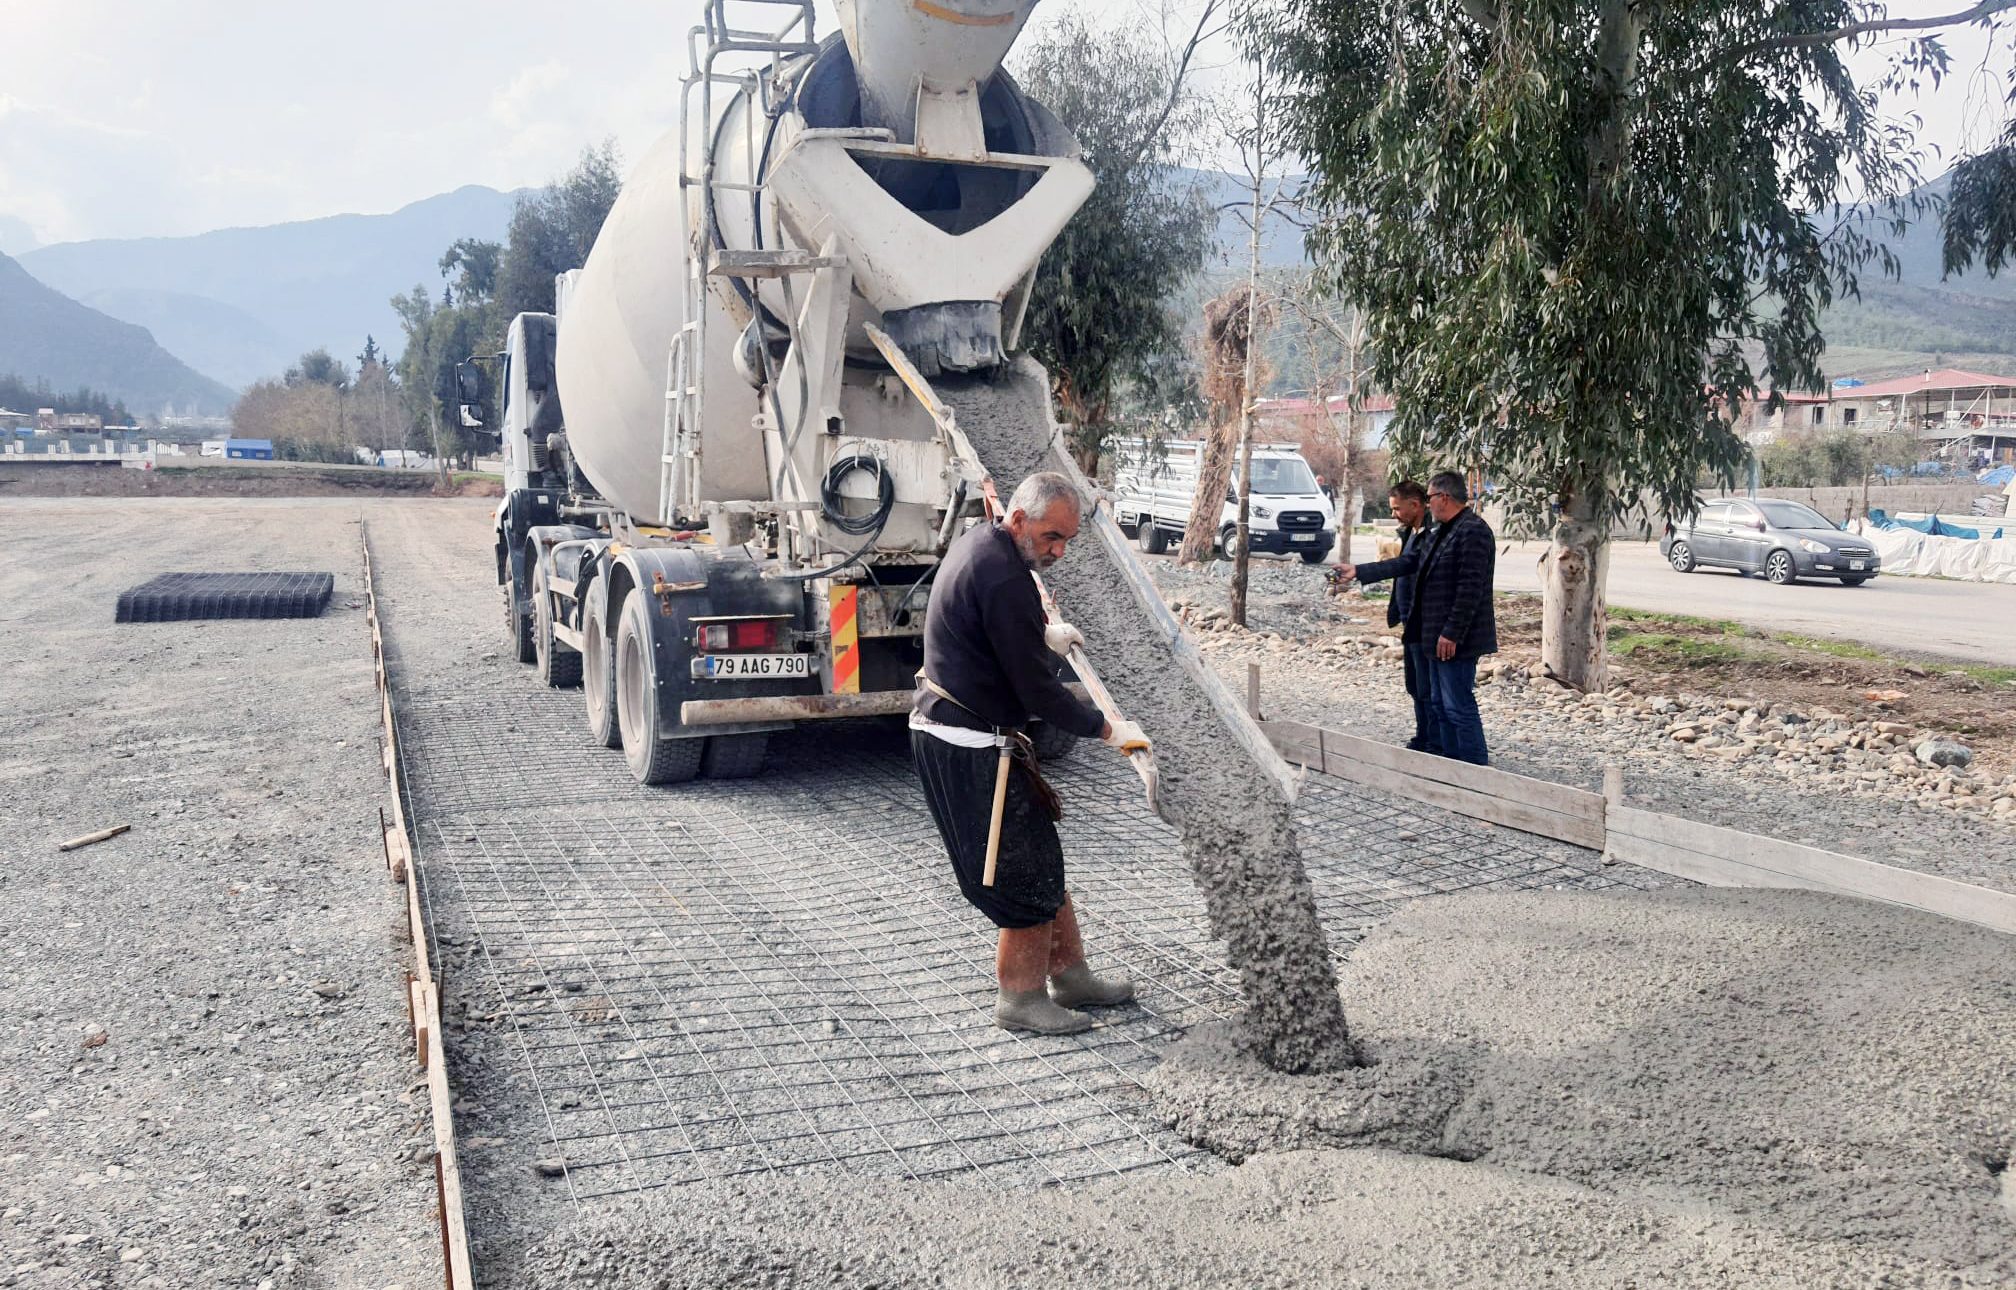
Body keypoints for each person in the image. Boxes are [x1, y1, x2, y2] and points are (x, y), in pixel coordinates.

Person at [910, 471, 1152, 1036]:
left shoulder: (987, 545)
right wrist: (1105, 729)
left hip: (969, 730)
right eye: (1051, 537)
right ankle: (1019, 998)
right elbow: (1037, 692)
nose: (1059, 551)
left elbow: (990, 633)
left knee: (1042, 857)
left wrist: (1043, 636)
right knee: (1019, 872)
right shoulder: (1002, 576)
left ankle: (1070, 976)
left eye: (1067, 539)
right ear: (1018, 519)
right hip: (968, 745)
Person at [1334, 480, 1437, 753]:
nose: (1394, 514)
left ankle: (1435, 742)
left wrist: (1359, 571)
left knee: (1426, 687)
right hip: (1408, 619)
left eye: (1397, 509)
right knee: (1414, 685)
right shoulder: (1410, 532)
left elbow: (1405, 564)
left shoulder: (1431, 534)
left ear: (1415, 505)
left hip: (1424, 621)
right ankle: (1423, 736)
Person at [1410, 470, 1497, 764]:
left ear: (1444, 497)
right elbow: (1413, 564)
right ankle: (1449, 765)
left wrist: (1452, 632)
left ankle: (1474, 768)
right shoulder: (1445, 530)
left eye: (1430, 497)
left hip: (1457, 640)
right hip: (1435, 636)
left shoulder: (1473, 531)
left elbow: (1470, 588)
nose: (1428, 504)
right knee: (1439, 704)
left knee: (1458, 705)